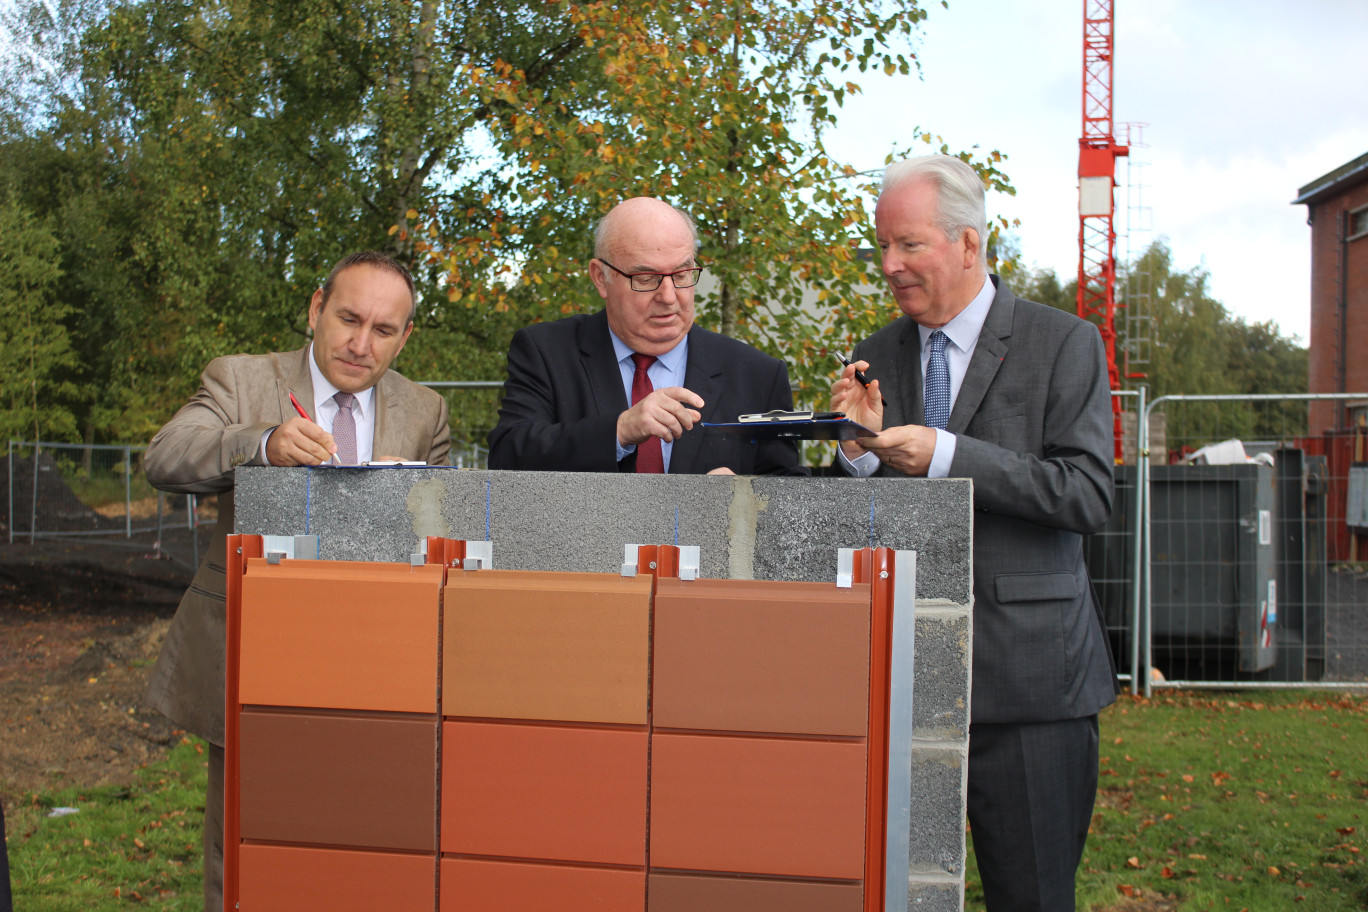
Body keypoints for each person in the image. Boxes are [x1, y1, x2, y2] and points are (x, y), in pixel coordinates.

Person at [831, 156, 1118, 912]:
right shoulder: (879, 349)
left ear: (968, 243)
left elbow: (1089, 493)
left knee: (1031, 897)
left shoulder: (1064, 343)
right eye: (882, 247)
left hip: (1028, 690)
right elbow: (862, 521)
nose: (889, 266)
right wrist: (856, 456)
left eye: (908, 245)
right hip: (902, 682)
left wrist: (949, 457)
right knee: (898, 894)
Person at [142, 251, 451, 912]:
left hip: (378, 663)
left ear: (406, 337)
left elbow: (438, 533)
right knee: (247, 845)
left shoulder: (426, 410)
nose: (361, 344)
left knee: (361, 841)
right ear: (315, 309)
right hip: (259, 654)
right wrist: (262, 444)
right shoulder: (242, 379)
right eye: (348, 319)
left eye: (384, 330)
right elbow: (165, 454)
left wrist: (415, 501)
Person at [487, 197, 803, 475]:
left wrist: (744, 500)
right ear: (601, 277)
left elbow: (787, 494)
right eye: (646, 278)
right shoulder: (546, 352)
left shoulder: (757, 374)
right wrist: (620, 430)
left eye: (681, 275)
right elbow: (506, 458)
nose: (668, 296)